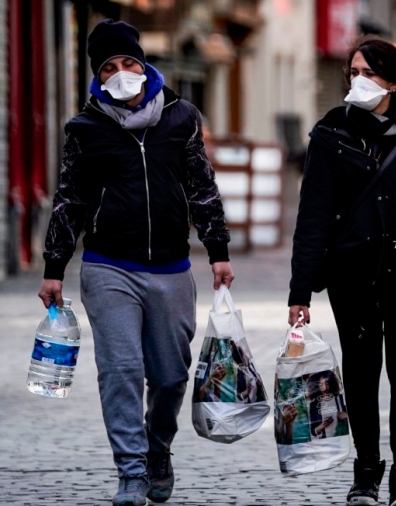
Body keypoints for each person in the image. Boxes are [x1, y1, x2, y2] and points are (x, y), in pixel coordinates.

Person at [37, 19, 233, 506]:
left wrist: (219, 251)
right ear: (97, 77)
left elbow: (201, 187)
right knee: (120, 370)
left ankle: (157, 451)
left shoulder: (181, 117)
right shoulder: (83, 129)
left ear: (144, 65)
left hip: (170, 268)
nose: (121, 72)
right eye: (109, 67)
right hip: (108, 267)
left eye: (128, 63)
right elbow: (69, 200)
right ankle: (130, 472)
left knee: (169, 376)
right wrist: (54, 266)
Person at [287, 36, 396, 506]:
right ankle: (366, 470)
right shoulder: (331, 131)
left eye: (370, 73)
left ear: (394, 81)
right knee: (360, 371)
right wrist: (300, 293)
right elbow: (312, 215)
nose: (359, 80)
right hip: (350, 271)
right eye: (353, 72)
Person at [308, 372, 350, 439]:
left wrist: (346, 416)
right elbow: (313, 432)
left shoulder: (341, 398)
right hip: (325, 441)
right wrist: (323, 425)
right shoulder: (313, 405)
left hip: (342, 438)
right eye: (321, 384)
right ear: (316, 386)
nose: (324, 387)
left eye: (327, 383)